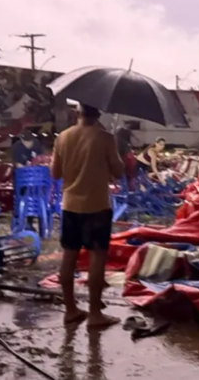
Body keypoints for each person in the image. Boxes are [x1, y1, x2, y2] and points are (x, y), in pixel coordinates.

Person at [51, 104, 124, 328]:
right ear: (98, 113)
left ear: (77, 112)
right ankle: (94, 314)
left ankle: (71, 310)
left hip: (70, 205)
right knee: (97, 258)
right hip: (97, 206)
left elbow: (55, 173)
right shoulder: (105, 138)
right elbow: (119, 171)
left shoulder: (62, 137)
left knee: (69, 256)